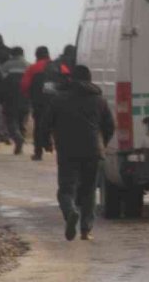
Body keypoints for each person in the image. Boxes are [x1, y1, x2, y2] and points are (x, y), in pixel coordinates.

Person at [45, 65, 114, 241]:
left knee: (66, 190)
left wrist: (46, 143)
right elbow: (110, 126)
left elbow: (45, 124)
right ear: (90, 79)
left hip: (67, 151)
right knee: (89, 191)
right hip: (93, 151)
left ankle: (70, 212)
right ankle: (85, 230)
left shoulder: (59, 99)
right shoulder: (100, 100)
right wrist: (102, 144)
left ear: (71, 79)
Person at [21, 47, 70, 161]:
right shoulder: (61, 66)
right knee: (58, 127)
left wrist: (30, 96)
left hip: (39, 102)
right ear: (48, 55)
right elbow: (69, 81)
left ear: (36, 56)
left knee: (39, 126)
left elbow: (24, 85)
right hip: (58, 101)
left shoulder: (32, 68)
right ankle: (61, 152)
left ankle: (38, 153)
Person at [0, 46, 30, 155]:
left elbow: (1, 82)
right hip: (26, 97)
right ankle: (20, 140)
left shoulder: (6, 66)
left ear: (11, 55)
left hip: (10, 98)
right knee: (22, 120)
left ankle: (18, 138)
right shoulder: (29, 66)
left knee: (11, 121)